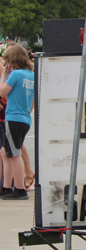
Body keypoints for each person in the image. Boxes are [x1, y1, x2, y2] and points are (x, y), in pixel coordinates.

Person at [0, 44, 35, 200]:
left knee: (14, 155)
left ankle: (20, 188)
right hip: (25, 118)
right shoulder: (31, 74)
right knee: (9, 152)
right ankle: (8, 187)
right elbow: (32, 100)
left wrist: (4, 76)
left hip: (13, 117)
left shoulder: (15, 75)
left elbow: (2, 93)